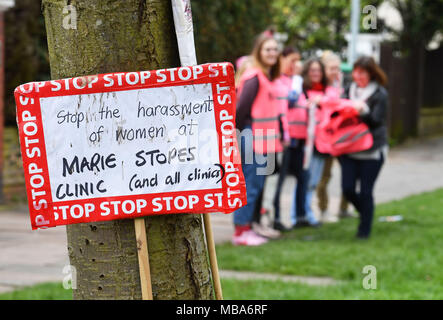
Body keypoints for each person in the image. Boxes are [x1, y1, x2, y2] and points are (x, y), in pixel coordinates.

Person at [233, 32, 283, 246]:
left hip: (265, 140)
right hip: (252, 137)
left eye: (274, 49)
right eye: (267, 49)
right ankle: (240, 232)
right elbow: (241, 109)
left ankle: (247, 227)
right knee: (250, 185)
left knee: (256, 185)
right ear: (259, 52)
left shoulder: (265, 76)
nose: (272, 53)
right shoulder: (254, 77)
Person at [338, 56, 389, 239]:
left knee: (366, 191)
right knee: (347, 189)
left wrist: (363, 111)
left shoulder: (379, 94)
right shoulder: (347, 91)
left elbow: (377, 121)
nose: (358, 76)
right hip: (350, 149)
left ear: (371, 73)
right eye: (356, 71)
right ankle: (366, 212)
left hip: (372, 151)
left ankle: (364, 230)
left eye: (363, 72)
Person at [316, 52, 354, 223]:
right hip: (326, 139)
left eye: (337, 68)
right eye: (332, 68)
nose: (335, 71)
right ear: (324, 70)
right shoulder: (320, 88)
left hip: (342, 137)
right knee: (324, 176)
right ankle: (323, 210)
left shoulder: (343, 86)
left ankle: (344, 208)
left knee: (349, 174)